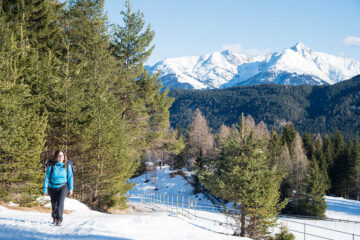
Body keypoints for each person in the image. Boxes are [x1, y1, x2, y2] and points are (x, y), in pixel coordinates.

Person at [43, 150, 74, 226]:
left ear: (64, 157)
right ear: (56, 157)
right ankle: (54, 217)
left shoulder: (67, 166)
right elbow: (47, 178)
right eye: (59, 156)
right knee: (54, 204)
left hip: (63, 186)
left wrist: (71, 188)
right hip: (52, 187)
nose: (60, 157)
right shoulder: (51, 166)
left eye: (62, 156)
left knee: (60, 202)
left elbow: (70, 177)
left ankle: (59, 219)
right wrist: (45, 189)